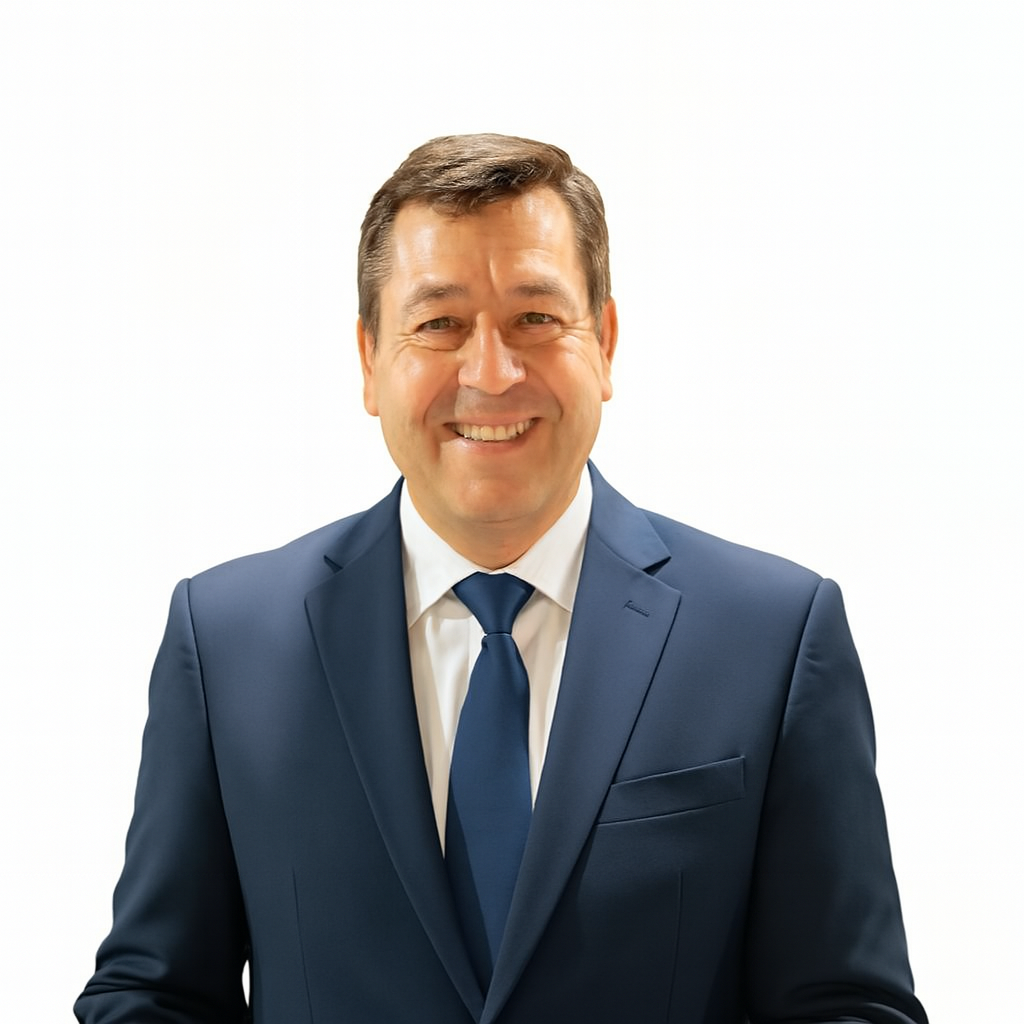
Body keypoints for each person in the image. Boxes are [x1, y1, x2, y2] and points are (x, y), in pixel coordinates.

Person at [75, 133, 928, 1024]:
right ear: (369, 360)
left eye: (536, 318)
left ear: (605, 341)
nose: (490, 373)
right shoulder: (227, 645)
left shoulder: (773, 638)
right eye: (439, 324)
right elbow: (155, 995)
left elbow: (846, 1006)